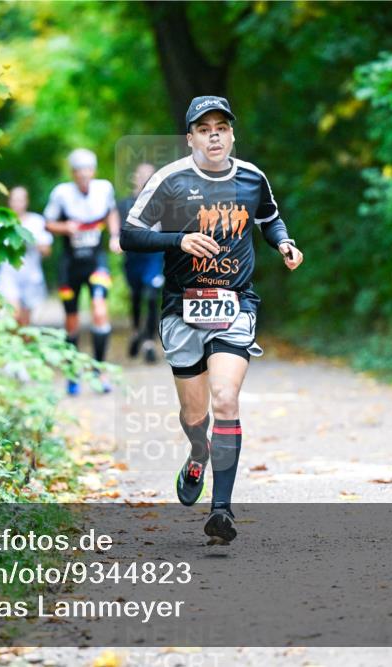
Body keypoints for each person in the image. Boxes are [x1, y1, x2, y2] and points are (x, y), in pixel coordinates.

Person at [120, 96, 304, 544]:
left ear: (232, 133)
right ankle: (198, 450)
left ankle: (221, 509)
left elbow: (270, 218)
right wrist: (178, 240)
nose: (215, 135)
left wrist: (283, 243)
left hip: (235, 303)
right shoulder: (170, 180)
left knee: (225, 399)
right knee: (194, 412)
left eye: (221, 126)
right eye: (204, 129)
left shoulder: (252, 178)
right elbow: (129, 235)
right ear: (191, 138)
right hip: (182, 306)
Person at [44, 148, 122, 395]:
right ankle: (72, 372)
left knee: (100, 310)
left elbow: (111, 212)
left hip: (96, 260)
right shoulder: (61, 194)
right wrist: (64, 227)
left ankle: (100, 371)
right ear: (72, 173)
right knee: (72, 322)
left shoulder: (104, 188)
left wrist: (115, 236)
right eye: (78, 171)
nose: (83, 175)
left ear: (93, 171)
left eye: (87, 170)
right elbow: (48, 223)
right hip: (70, 263)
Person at [117, 162, 163, 364]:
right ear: (134, 178)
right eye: (141, 174)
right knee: (136, 296)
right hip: (133, 256)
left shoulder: (162, 203)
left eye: (149, 175)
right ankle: (137, 331)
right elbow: (117, 229)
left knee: (152, 295)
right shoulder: (125, 204)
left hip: (154, 256)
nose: (145, 178)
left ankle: (149, 343)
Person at [0, 186, 53, 327]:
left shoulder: (37, 221)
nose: (17, 204)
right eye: (14, 200)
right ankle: (13, 345)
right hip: (8, 275)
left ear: (26, 202)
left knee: (25, 321)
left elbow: (47, 251)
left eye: (20, 200)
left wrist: (34, 243)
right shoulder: (1, 221)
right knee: (13, 315)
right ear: (9, 201)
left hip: (31, 276)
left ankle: (23, 347)